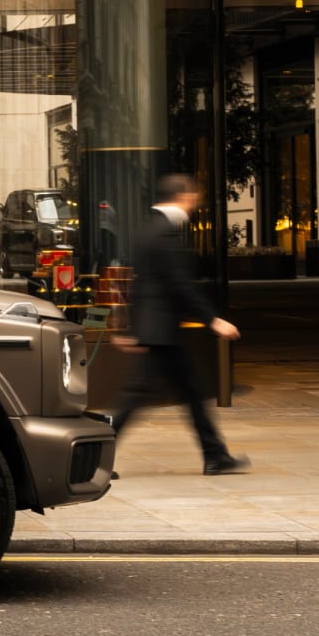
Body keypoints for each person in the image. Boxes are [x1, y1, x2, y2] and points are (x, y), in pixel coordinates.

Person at [110, 173, 249, 476]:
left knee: (190, 394)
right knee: (138, 397)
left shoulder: (148, 229)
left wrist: (133, 330)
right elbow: (180, 285)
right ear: (183, 197)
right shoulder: (164, 233)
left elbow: (142, 284)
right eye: (194, 197)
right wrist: (213, 320)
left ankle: (215, 455)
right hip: (162, 332)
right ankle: (92, 456)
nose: (196, 202)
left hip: (159, 330)